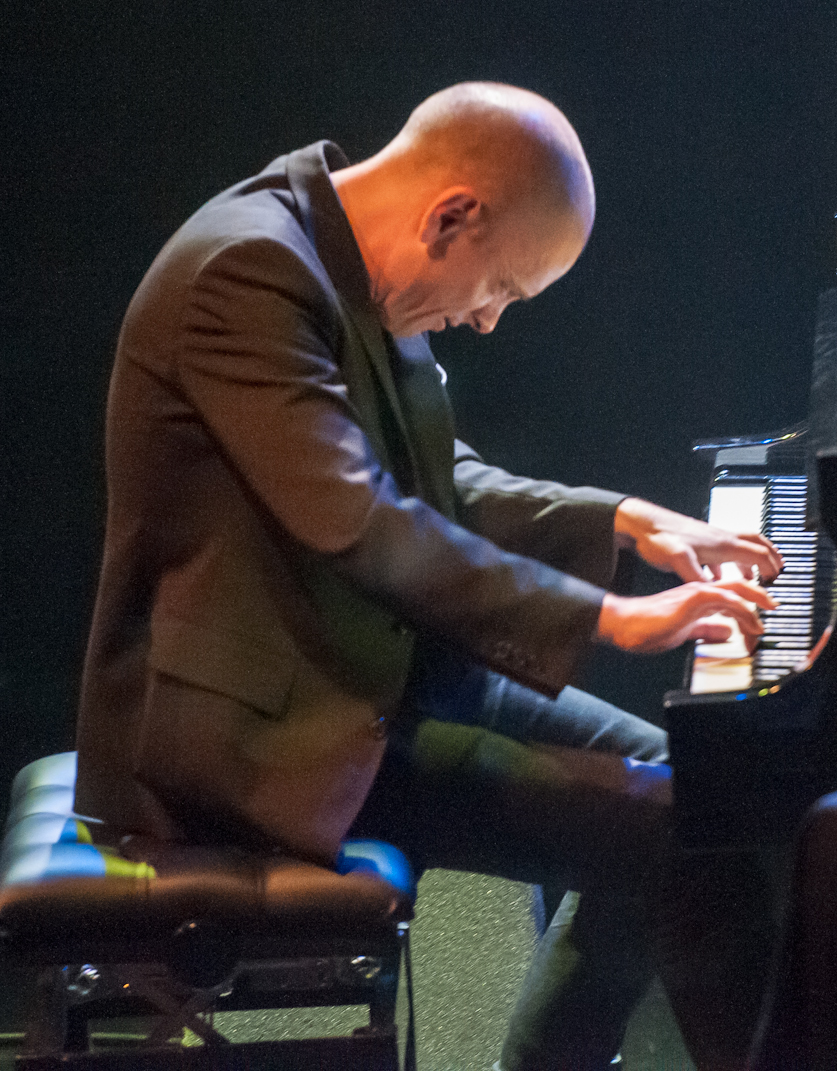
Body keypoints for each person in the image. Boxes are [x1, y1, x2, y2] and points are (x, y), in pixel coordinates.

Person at [74, 81, 783, 1071]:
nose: (489, 321)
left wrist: (623, 522)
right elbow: (364, 522)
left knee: (704, 806)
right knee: (679, 836)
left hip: (366, 677)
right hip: (259, 731)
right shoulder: (247, 274)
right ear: (453, 215)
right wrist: (612, 621)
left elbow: (436, 477)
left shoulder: (344, 256)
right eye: (503, 289)